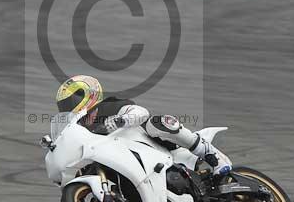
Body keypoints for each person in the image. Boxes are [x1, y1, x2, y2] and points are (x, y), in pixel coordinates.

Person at [55, 74, 232, 175]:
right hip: (124, 160)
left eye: (71, 102)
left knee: (158, 123)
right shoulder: (81, 129)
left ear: (88, 94)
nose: (69, 108)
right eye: (65, 105)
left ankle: (212, 155)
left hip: (155, 147)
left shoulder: (108, 106)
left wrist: (120, 120)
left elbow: (140, 112)